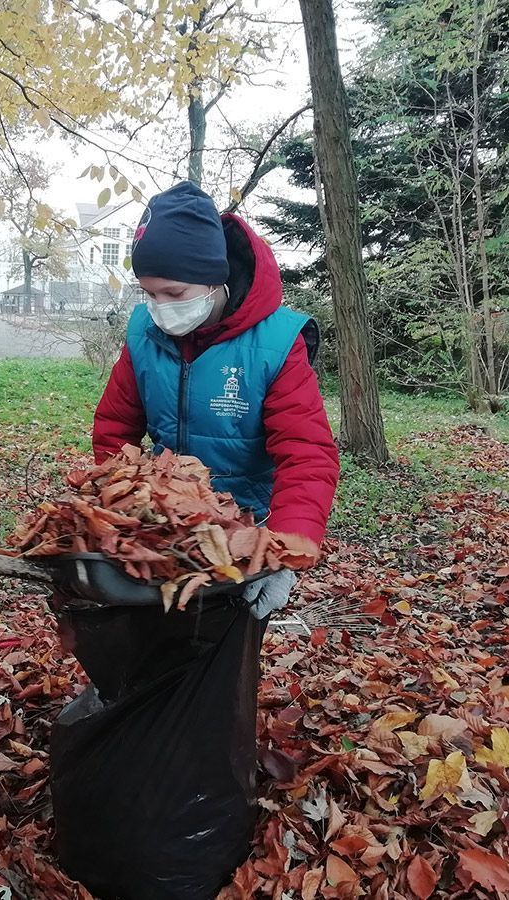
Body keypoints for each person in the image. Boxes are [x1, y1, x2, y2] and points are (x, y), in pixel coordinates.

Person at [93, 180, 339, 616]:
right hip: (164, 531)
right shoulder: (143, 335)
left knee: (220, 654)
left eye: (174, 294)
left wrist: (285, 552)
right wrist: (121, 503)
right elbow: (115, 429)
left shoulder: (276, 343)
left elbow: (307, 454)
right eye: (149, 293)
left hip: (243, 536)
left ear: (214, 281)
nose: (161, 307)